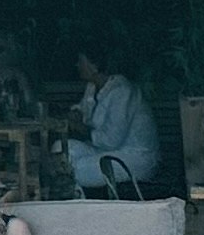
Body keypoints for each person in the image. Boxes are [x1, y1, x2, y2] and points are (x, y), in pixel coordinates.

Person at [64, 50, 157, 194]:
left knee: (73, 170)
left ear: (94, 66)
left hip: (133, 157)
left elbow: (111, 140)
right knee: (62, 150)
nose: (77, 65)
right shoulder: (92, 87)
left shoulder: (123, 91)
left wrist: (81, 128)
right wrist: (76, 113)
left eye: (81, 61)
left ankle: (80, 209)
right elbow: (84, 110)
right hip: (102, 150)